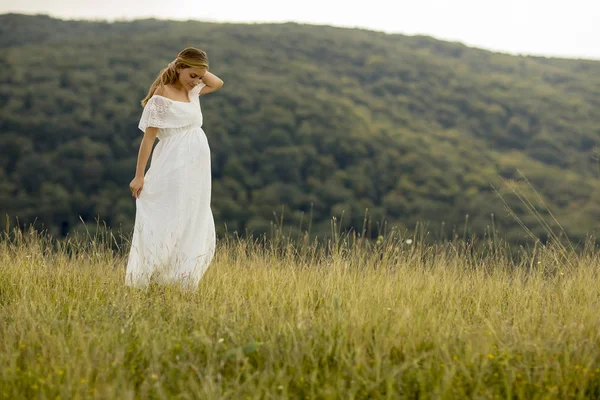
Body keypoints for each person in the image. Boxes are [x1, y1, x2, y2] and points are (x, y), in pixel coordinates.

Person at [125, 47, 224, 290]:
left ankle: (181, 276)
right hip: (173, 162)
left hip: (197, 166)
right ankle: (153, 273)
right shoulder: (162, 96)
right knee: (170, 214)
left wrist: (196, 71)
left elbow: (218, 82)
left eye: (200, 77)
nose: (197, 81)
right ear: (179, 69)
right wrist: (139, 176)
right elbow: (148, 139)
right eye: (192, 75)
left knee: (193, 214)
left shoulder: (194, 91)